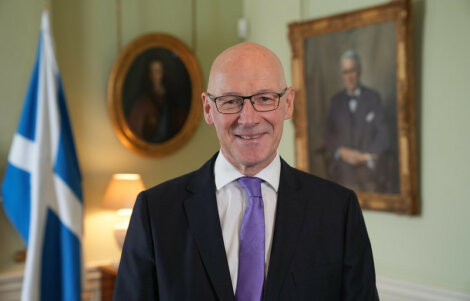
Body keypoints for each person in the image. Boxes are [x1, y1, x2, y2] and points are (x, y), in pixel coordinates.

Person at [114, 43, 379, 300]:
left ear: (288, 104)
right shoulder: (155, 212)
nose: (248, 118)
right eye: (231, 101)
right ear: (208, 109)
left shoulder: (338, 210)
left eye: (265, 98)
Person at [324, 49, 390, 193]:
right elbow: (328, 135)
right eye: (345, 72)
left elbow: (383, 134)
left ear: (359, 71)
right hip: (342, 170)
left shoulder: (373, 98)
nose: (349, 77)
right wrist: (341, 151)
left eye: (352, 71)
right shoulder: (336, 101)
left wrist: (366, 156)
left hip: (368, 169)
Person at [127, 58, 187, 143]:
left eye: (158, 71)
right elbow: (135, 129)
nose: (154, 75)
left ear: (163, 73)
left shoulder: (171, 98)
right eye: (152, 72)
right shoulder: (142, 102)